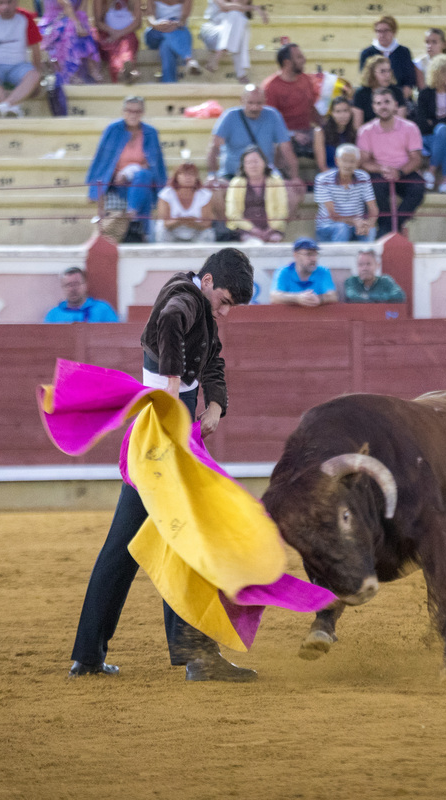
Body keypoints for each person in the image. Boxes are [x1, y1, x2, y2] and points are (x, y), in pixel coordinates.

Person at [67, 248, 257, 682]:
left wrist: (216, 408)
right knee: (189, 542)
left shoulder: (199, 302)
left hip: (158, 437)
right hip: (164, 436)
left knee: (123, 550)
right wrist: (173, 389)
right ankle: (197, 658)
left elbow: (213, 361)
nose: (224, 311)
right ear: (207, 281)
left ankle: (89, 655)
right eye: (224, 300)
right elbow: (170, 322)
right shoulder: (185, 299)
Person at [206, 85, 303, 220]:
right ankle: (229, 231)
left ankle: (276, 232)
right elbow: (214, 147)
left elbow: (286, 149)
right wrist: (212, 174)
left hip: (265, 175)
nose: (254, 107)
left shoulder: (273, 115)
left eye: (259, 103)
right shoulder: (230, 116)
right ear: (242, 101)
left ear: (265, 101)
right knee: (213, 191)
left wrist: (294, 177)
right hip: (232, 175)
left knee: (295, 192)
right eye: (250, 103)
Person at [85, 96, 166, 242]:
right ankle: (145, 234)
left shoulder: (151, 133)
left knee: (144, 177)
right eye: (129, 111)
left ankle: (132, 214)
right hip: (117, 184)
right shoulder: (113, 129)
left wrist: (129, 171)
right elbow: (102, 161)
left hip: (141, 180)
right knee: (144, 187)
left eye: (137, 111)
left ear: (142, 112)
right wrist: (96, 190)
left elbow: (155, 164)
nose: (133, 114)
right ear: (123, 112)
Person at [358, 87, 425, 237]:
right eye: (378, 103)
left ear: (395, 105)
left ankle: (391, 227)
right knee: (375, 188)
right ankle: (388, 228)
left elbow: (416, 159)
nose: (383, 106)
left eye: (387, 102)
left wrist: (399, 172)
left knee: (418, 188)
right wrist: (382, 169)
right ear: (374, 107)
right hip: (379, 172)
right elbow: (363, 162)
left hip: (404, 171)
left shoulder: (410, 127)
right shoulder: (365, 131)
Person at [261, 43, 318, 157]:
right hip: (285, 136)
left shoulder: (306, 80)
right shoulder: (271, 86)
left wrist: (324, 127)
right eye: (299, 57)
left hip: (307, 132)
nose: (304, 60)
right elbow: (268, 122)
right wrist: (293, 134)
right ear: (287, 62)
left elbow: (312, 108)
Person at [415, 54, 446, 193]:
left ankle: (431, 170)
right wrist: (443, 124)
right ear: (440, 74)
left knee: (443, 130)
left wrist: (434, 122)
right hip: (429, 137)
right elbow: (422, 124)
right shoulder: (425, 93)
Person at [314, 143, 376, 243]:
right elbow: (333, 216)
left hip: (356, 225)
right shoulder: (323, 179)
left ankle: (368, 257)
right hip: (328, 226)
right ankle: (339, 259)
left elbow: (373, 209)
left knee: (370, 229)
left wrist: (368, 223)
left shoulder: (363, 177)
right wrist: (355, 222)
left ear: (357, 163)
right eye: (344, 161)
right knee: (342, 228)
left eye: (352, 161)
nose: (348, 165)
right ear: (337, 161)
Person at [225, 145, 286, 243]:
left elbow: (282, 210)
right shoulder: (236, 183)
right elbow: (232, 213)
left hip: (272, 229)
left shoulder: (276, 181)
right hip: (244, 230)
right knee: (251, 242)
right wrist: (252, 229)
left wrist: (270, 229)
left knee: (275, 240)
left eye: (256, 161)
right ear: (243, 166)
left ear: (264, 163)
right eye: (249, 162)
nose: (253, 165)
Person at [199, 0, 265, 82]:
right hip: (212, 33)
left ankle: (218, 56)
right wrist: (254, 8)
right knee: (235, 15)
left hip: (229, 38)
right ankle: (241, 73)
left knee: (240, 21)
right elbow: (224, 6)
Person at [39, 0, 103, 85]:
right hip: (53, 23)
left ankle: (91, 69)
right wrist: (77, 26)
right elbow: (66, 5)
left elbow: (82, 11)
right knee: (70, 27)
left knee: (82, 24)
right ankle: (70, 73)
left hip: (73, 21)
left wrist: (82, 26)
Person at [153, 162, 215, 243]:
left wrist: (191, 223)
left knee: (207, 233)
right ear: (176, 177)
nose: (188, 177)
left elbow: (207, 224)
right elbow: (165, 223)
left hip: (196, 231)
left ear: (196, 177)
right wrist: (180, 221)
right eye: (184, 174)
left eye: (191, 174)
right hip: (172, 231)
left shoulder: (205, 195)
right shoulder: (166, 194)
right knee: (161, 229)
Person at [358, 15, 414, 100]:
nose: (382, 34)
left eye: (386, 31)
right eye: (378, 31)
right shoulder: (367, 53)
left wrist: (401, 97)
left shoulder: (404, 52)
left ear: (394, 32)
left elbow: (409, 80)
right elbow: (365, 79)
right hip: (373, 98)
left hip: (399, 96)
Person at [270, 237, 337, 306]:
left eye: (315, 254)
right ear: (296, 255)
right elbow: (274, 297)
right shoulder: (283, 272)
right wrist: (297, 298)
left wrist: (319, 299)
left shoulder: (323, 271)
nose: (313, 259)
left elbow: (333, 296)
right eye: (309, 254)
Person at [145, 0, 199, 83]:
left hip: (176, 31)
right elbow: (150, 16)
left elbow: (183, 19)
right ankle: (188, 59)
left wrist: (174, 24)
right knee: (172, 33)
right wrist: (156, 25)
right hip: (155, 33)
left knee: (165, 46)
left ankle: (169, 82)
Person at [43, 266, 119, 321]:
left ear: (85, 285)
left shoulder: (103, 309)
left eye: (76, 284)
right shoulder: (53, 315)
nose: (72, 289)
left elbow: (117, 336)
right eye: (68, 285)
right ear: (62, 288)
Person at [351, 54, 405, 129]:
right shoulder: (361, 94)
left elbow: (401, 122)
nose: (387, 75)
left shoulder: (397, 92)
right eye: (382, 71)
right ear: (372, 73)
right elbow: (357, 126)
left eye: (389, 71)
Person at [93, 0, 141, 83]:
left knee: (127, 44)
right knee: (113, 48)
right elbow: (98, 22)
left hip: (127, 33)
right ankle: (123, 73)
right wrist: (114, 33)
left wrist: (119, 34)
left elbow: (137, 23)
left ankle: (127, 70)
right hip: (108, 34)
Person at [312, 95, 357, 172]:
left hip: (349, 175)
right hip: (328, 175)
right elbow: (322, 166)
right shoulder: (320, 132)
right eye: (338, 112)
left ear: (350, 112)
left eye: (345, 111)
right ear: (332, 113)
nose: (342, 115)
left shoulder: (353, 132)